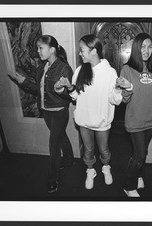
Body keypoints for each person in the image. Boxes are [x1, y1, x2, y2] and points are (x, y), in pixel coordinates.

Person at [7, 35, 75, 194]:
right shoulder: (42, 67)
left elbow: (69, 96)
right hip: (46, 111)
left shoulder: (64, 68)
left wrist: (62, 88)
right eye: (38, 48)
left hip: (59, 112)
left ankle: (52, 178)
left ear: (52, 50)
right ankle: (69, 160)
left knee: (54, 145)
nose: (38, 51)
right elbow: (38, 90)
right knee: (61, 137)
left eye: (40, 48)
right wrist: (22, 81)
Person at [55, 34, 123, 190]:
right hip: (84, 120)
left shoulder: (110, 72)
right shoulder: (80, 70)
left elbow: (115, 100)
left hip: (102, 121)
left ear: (94, 51)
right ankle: (90, 170)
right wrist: (70, 87)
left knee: (104, 150)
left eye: (82, 50)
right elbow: (75, 97)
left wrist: (118, 88)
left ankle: (106, 167)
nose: (80, 53)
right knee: (88, 149)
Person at [118, 33, 152, 197]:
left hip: (151, 120)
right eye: (143, 46)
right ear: (136, 48)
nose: (147, 50)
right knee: (139, 154)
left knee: (142, 153)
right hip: (134, 121)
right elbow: (124, 100)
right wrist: (126, 88)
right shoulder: (127, 69)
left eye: (149, 47)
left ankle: (139, 175)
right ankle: (128, 185)